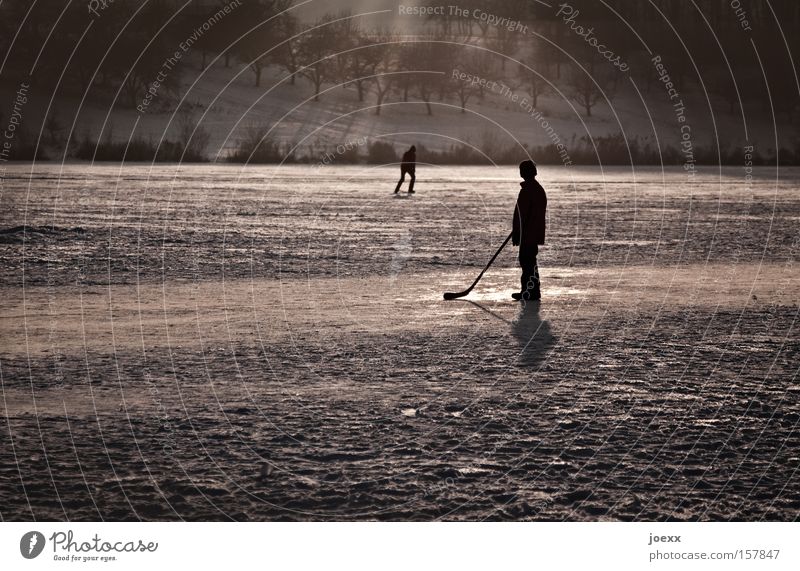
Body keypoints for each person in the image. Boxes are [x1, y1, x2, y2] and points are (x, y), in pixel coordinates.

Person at [511, 160, 547, 301]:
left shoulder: (528, 190)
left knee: (527, 262)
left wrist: (518, 232)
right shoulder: (537, 189)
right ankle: (531, 290)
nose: (520, 172)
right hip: (532, 232)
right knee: (529, 262)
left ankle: (529, 291)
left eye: (522, 170)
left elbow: (522, 215)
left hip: (528, 234)